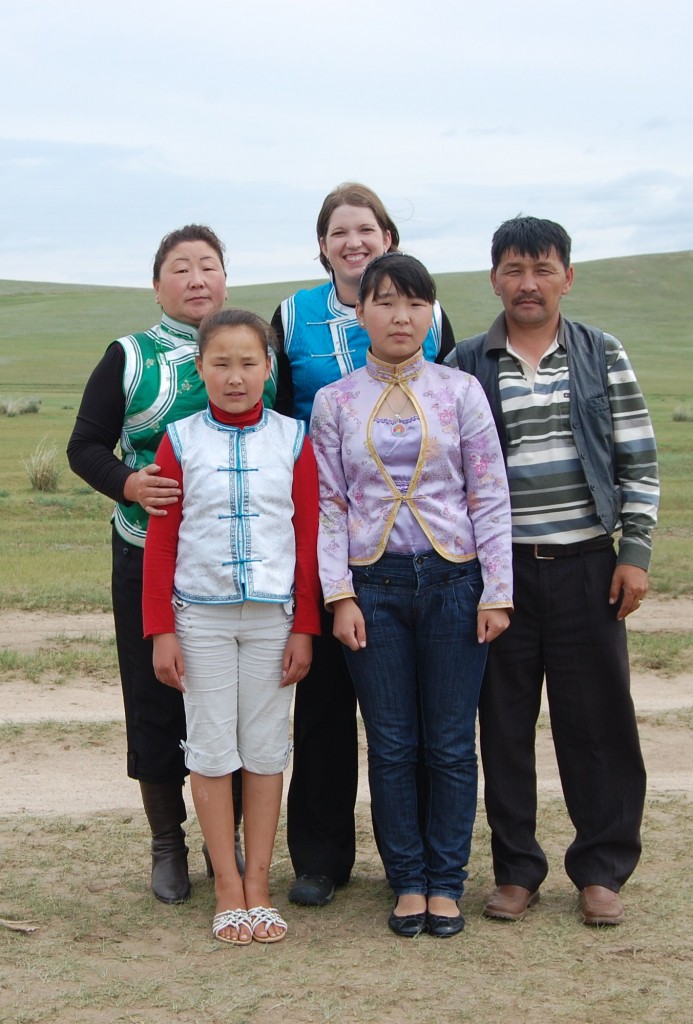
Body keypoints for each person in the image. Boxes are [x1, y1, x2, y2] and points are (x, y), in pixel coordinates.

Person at [450, 216, 659, 926]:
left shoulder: (602, 353)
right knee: (502, 723)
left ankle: (601, 870)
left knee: (596, 722)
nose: (528, 283)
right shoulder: (466, 362)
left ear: (567, 276)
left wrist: (635, 552)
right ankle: (517, 870)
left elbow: (638, 456)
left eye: (542, 269)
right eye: (513, 269)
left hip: (589, 569)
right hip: (500, 576)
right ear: (494, 279)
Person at [67, 226, 275, 903]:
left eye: (208, 267)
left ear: (225, 280)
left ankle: (234, 846)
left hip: (239, 568)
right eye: (179, 269)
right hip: (145, 552)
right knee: (156, 699)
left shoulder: (250, 349)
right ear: (157, 286)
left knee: (241, 707)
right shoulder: (130, 357)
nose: (195, 279)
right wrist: (128, 483)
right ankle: (168, 844)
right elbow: (85, 445)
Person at [310, 253, 513, 937]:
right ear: (360, 311)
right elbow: (331, 505)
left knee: (453, 744)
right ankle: (407, 881)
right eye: (386, 302)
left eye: (415, 303)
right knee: (392, 743)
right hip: (375, 588)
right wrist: (338, 595)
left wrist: (497, 592)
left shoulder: (460, 392)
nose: (402, 317)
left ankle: (447, 881)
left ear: (431, 314)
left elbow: (489, 492)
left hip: (456, 582)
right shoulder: (333, 401)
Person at [272, 182, 456, 908]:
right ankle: (320, 859)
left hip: (412, 539)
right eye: (340, 231)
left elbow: (449, 396)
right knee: (322, 703)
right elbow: (281, 407)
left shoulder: (424, 306)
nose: (354, 241)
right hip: (320, 524)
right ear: (322, 246)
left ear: (389, 237)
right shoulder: (292, 315)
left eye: (367, 229)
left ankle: (410, 866)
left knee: (407, 711)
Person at [142, 308, 320, 944]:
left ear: (269, 369)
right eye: (221, 363)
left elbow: (307, 535)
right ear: (201, 369)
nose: (236, 376)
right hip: (201, 618)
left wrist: (305, 624)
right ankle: (225, 884)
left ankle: (260, 885)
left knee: (267, 747)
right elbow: (161, 541)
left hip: (274, 618)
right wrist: (161, 628)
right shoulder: (180, 439)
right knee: (213, 750)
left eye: (249, 363)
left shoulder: (294, 439)